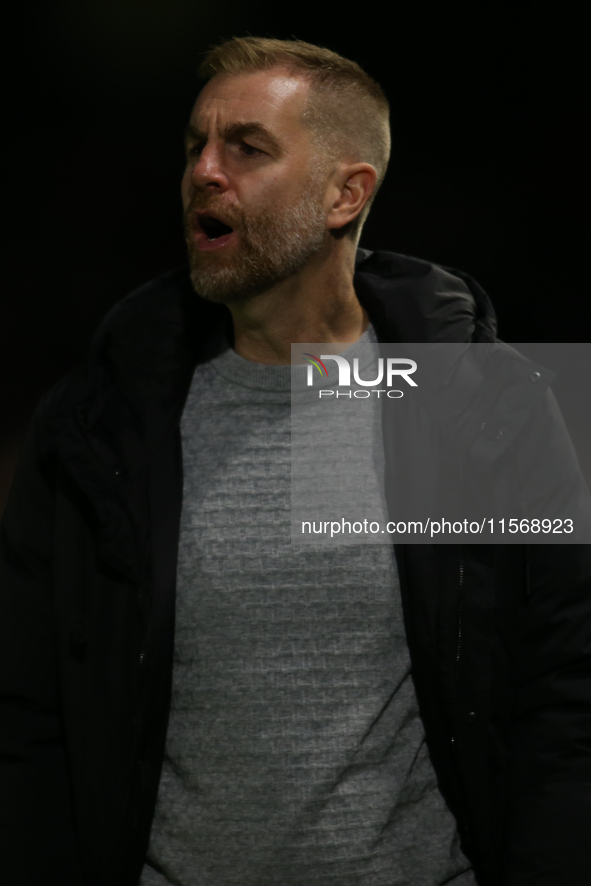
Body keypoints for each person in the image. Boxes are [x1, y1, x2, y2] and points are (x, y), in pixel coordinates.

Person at [1, 35, 590, 886]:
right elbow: (30, 710)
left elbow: (563, 684)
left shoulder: (475, 401)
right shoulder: (98, 422)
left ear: (345, 194)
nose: (204, 171)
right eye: (194, 146)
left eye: (246, 147)